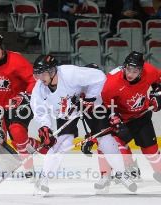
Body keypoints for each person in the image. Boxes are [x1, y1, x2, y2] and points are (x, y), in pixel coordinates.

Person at [30, 54, 137, 195]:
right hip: (67, 110)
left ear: (52, 71)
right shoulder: (40, 88)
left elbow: (99, 76)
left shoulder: (69, 73)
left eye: (42, 74)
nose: (40, 79)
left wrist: (90, 98)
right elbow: (38, 107)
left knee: (105, 139)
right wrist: (45, 126)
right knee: (63, 142)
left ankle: (122, 173)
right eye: (37, 75)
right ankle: (43, 179)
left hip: (88, 104)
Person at [0, 33, 43, 173]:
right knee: (14, 141)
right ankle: (41, 147)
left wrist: (24, 95)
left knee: (16, 130)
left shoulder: (16, 60)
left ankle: (29, 170)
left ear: (3, 49)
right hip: (2, 106)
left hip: (22, 102)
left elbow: (33, 79)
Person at [100, 51, 161, 186]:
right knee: (116, 144)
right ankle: (130, 169)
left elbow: (159, 81)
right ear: (124, 66)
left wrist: (157, 94)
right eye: (128, 69)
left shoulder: (149, 71)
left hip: (142, 115)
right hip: (123, 120)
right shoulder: (112, 81)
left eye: (135, 71)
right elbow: (106, 103)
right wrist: (113, 115)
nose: (130, 74)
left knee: (150, 150)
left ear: (141, 70)